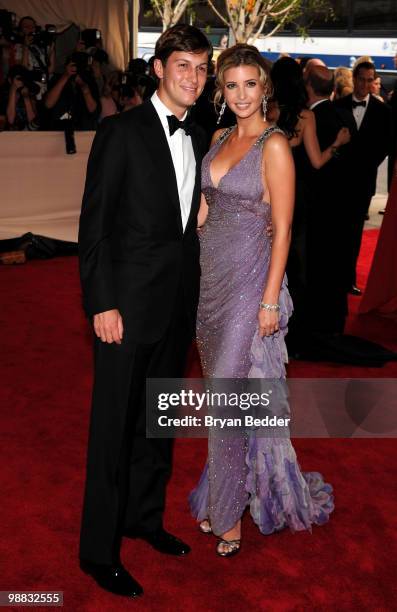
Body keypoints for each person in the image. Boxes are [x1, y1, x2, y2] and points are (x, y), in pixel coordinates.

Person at [78, 25, 211, 598]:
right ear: (157, 68)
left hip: (177, 304)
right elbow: (95, 225)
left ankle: (144, 519)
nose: (195, 78)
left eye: (202, 68)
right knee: (112, 431)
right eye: (184, 66)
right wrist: (101, 301)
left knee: (159, 424)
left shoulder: (203, 130)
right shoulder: (120, 131)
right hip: (125, 308)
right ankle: (97, 551)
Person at [189, 44, 333, 557]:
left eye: (251, 84)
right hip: (209, 284)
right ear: (221, 91)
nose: (242, 94)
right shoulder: (217, 136)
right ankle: (225, 494)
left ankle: (228, 518)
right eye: (232, 85)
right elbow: (204, 213)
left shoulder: (274, 145)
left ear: (265, 88)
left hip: (251, 283)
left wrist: (271, 299)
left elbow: (284, 227)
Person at [269, 57, 350, 355]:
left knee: (266, 261)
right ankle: (293, 332)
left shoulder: (267, 111)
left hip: (268, 193)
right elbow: (317, 162)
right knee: (296, 265)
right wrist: (338, 142)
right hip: (296, 196)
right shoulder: (305, 116)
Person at [335, 61, 391, 295]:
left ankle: (349, 279)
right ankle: (332, 275)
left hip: (363, 181)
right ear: (354, 79)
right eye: (362, 79)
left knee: (354, 232)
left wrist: (363, 166)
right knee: (335, 230)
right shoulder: (337, 106)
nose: (365, 84)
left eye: (370, 80)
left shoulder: (383, 111)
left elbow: (385, 145)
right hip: (336, 181)